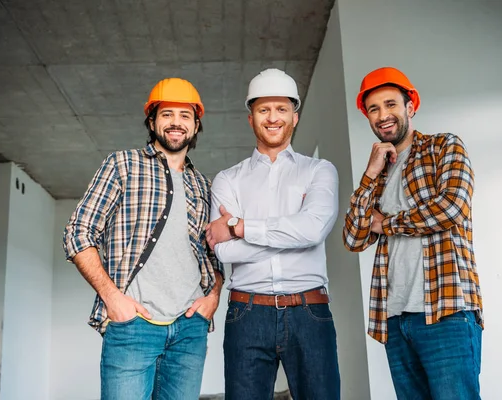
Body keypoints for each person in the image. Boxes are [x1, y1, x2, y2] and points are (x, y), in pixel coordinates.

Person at [63, 77, 224, 400]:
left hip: (189, 328)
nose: (176, 123)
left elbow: (212, 253)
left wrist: (214, 296)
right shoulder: (122, 165)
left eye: (185, 116)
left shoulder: (203, 185)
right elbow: (78, 232)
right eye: (166, 114)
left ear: (196, 126)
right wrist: (112, 298)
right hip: (133, 324)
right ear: (151, 121)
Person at [343, 67, 484, 399]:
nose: (382, 115)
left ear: (410, 106)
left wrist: (386, 224)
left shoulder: (443, 147)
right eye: (373, 109)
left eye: (390, 104)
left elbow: (451, 208)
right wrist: (369, 174)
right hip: (395, 319)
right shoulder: (380, 173)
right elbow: (353, 238)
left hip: (445, 310)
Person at [205, 68, 341, 400]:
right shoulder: (227, 180)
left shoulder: (319, 170)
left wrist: (240, 227)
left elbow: (313, 229)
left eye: (281, 109)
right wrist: (293, 236)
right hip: (247, 313)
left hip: (309, 312)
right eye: (263, 110)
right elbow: (223, 251)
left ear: (295, 117)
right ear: (251, 118)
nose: (272, 118)